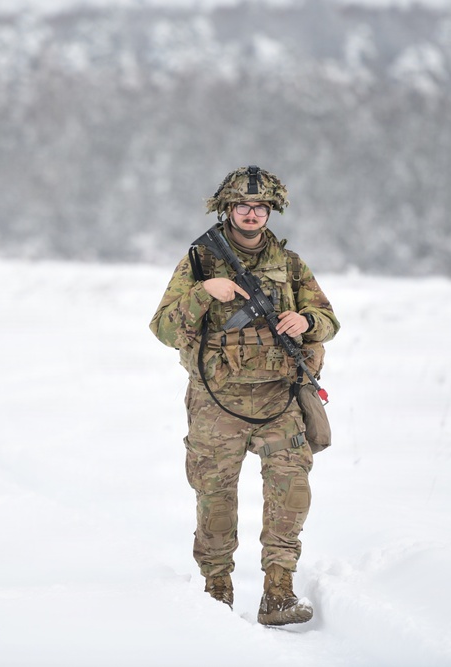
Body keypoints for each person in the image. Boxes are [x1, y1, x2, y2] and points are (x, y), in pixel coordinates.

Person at [149, 165, 340, 626]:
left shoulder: (290, 264)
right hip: (219, 403)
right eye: (242, 206)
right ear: (227, 209)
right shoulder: (200, 259)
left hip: (279, 400)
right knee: (215, 498)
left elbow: (328, 317)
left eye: (260, 207)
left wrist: (307, 322)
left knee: (291, 493)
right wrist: (203, 293)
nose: (252, 214)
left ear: (270, 210)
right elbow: (164, 328)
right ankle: (216, 594)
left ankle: (279, 592)